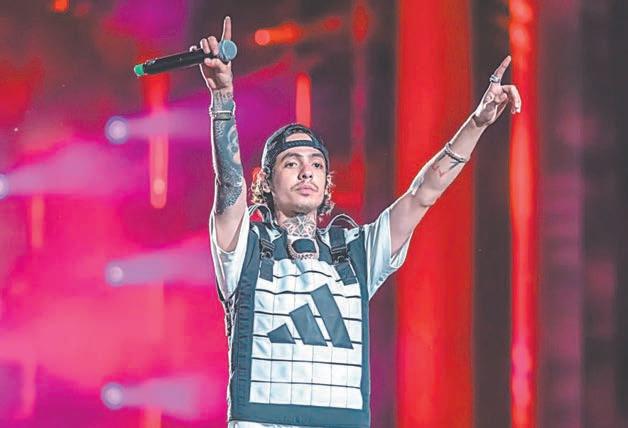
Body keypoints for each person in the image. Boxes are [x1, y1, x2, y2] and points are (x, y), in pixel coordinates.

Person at [199, 16, 521, 428]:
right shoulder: (245, 247)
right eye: (291, 163)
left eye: (317, 164)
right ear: (266, 183)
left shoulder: (354, 252)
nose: (307, 172)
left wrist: (477, 122)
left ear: (326, 183)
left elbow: (423, 193)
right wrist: (222, 98)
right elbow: (228, 184)